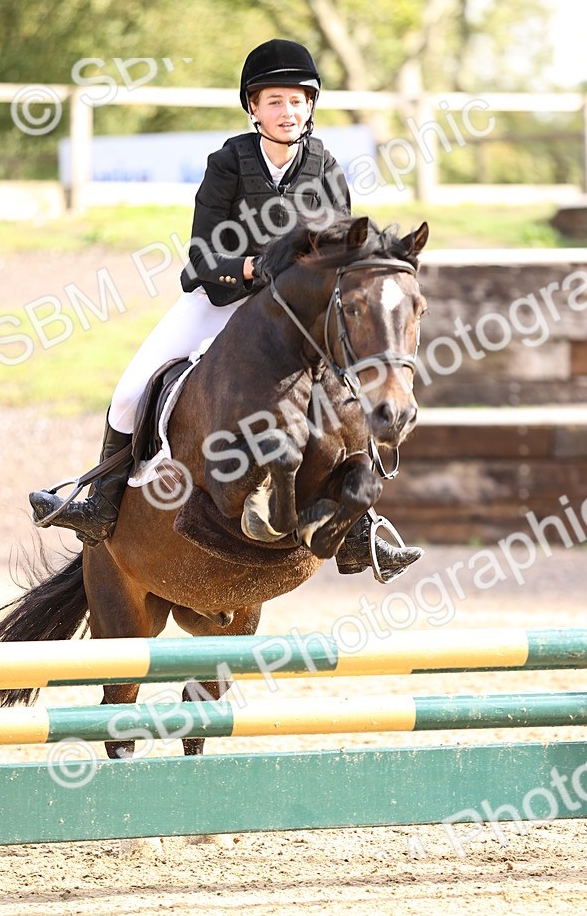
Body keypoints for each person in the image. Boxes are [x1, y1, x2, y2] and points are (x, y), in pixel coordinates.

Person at [30, 38, 422, 580]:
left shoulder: (327, 167)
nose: (289, 112)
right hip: (222, 300)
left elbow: (339, 253)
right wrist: (248, 269)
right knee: (130, 389)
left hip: (295, 318)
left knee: (352, 394)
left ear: (311, 106)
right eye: (276, 101)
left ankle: (359, 527)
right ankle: (100, 501)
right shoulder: (229, 162)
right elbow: (201, 250)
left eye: (298, 101)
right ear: (254, 108)